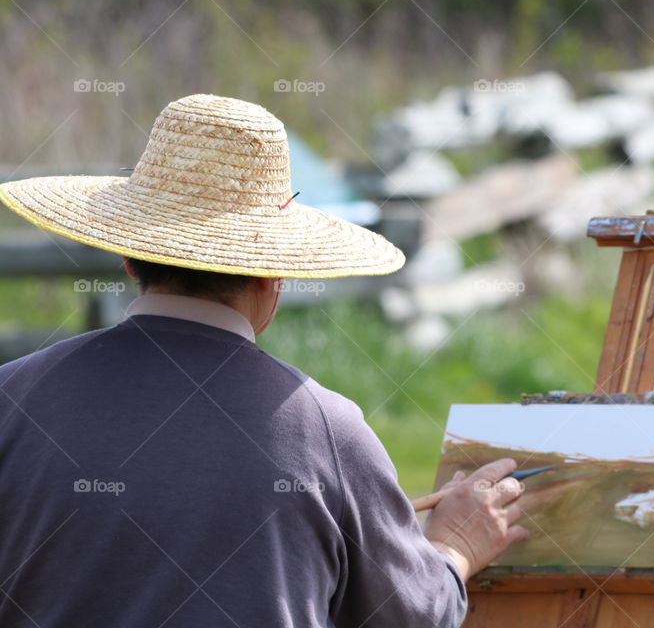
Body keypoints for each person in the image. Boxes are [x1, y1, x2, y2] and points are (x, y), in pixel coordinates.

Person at [0, 94, 529, 627]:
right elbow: (409, 616)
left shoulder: (11, 397)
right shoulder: (327, 433)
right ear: (271, 275)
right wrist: (455, 547)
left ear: (127, 258)